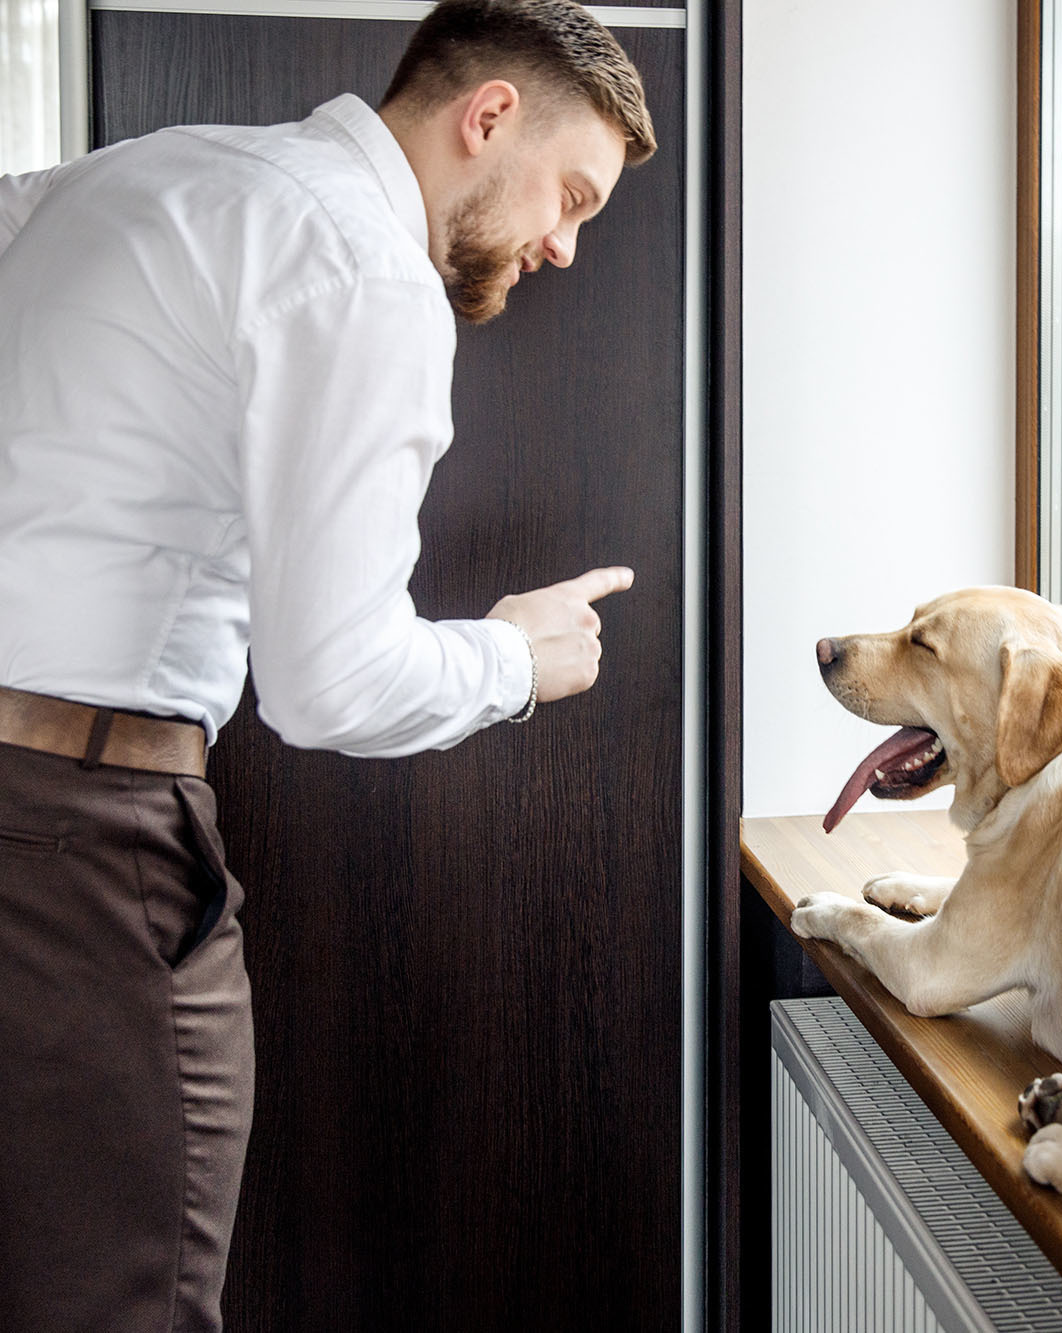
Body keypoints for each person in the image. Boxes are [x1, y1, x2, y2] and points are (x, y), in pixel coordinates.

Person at [0, 1, 656, 1327]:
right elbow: (328, 682)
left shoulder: (123, 180)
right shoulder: (363, 268)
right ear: (488, 119)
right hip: (82, 852)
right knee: (128, 1294)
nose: (567, 246)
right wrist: (514, 657)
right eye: (571, 196)